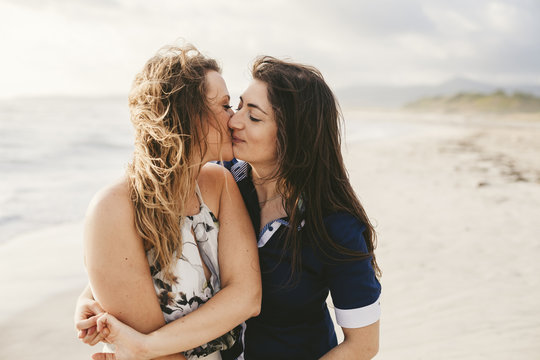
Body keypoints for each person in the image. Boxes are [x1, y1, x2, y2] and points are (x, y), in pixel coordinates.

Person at [77, 56, 381, 360]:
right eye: (234, 106)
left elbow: (363, 344)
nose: (234, 120)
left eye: (254, 117)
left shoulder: (335, 225)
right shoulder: (226, 180)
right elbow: (139, 255)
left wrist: (145, 347)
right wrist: (91, 298)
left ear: (292, 137)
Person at [75, 44, 261, 360]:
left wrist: (144, 347)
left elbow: (247, 296)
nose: (233, 119)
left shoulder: (219, 183)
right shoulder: (113, 209)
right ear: (187, 115)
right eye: (225, 105)